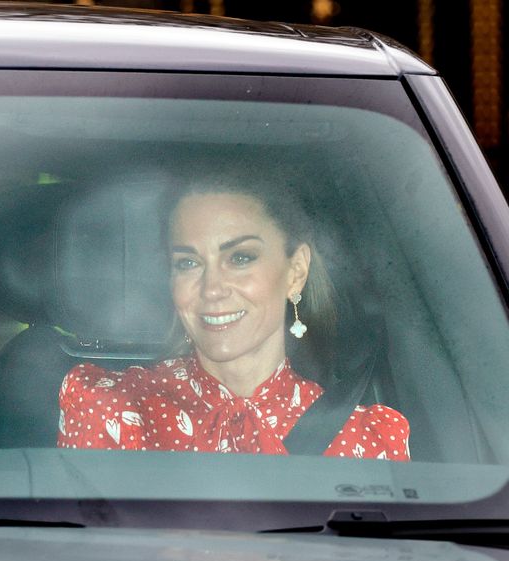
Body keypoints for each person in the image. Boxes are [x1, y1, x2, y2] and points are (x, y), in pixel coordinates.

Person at [57, 170, 410, 460]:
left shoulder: (367, 439)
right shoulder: (112, 409)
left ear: (296, 272)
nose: (212, 289)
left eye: (240, 258)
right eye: (188, 263)